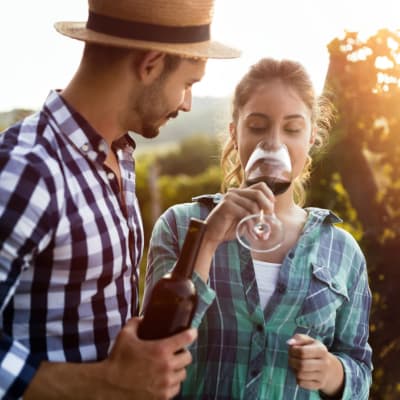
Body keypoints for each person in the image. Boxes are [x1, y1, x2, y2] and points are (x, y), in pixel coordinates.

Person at [0, 0, 240, 398]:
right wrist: (105, 383)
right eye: (189, 83)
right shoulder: (28, 170)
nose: (187, 103)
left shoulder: (120, 156)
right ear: (151, 63)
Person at [143, 58, 373, 399]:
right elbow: (151, 352)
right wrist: (206, 242)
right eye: (258, 126)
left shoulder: (342, 251)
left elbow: (360, 370)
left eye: (292, 129)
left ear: (312, 137)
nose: (274, 144)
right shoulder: (180, 226)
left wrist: (332, 372)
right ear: (235, 132)